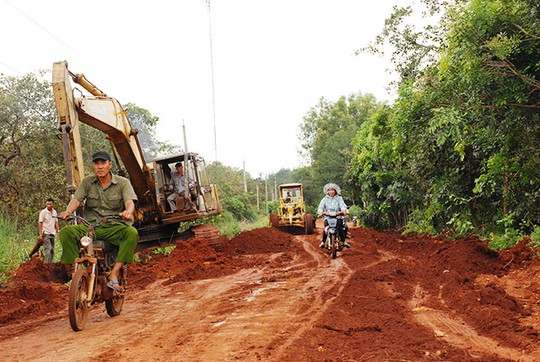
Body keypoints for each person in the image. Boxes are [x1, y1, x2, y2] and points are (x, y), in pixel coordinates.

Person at [59, 151, 139, 291]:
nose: (100, 167)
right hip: (91, 228)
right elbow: (76, 200)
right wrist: (68, 212)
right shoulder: (87, 182)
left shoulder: (122, 183)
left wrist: (128, 212)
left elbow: (129, 202)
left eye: (103, 163)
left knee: (131, 233)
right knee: (67, 232)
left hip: (113, 227)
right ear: (93, 166)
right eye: (97, 164)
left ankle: (114, 273)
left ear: (110, 165)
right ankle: (74, 273)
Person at [317, 183, 350, 249]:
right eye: (330, 190)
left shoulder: (339, 198)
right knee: (326, 228)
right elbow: (321, 206)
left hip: (338, 216)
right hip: (328, 217)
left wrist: (344, 211)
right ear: (327, 191)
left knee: (340, 227)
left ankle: (344, 241)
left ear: (335, 191)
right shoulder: (324, 199)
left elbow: (342, 205)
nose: (331, 191)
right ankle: (323, 242)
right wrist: (320, 212)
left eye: (333, 190)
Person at [29, 198, 60, 263]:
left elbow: (56, 222)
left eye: (50, 204)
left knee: (52, 250)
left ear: (53, 204)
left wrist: (58, 231)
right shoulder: (43, 212)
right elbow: (40, 223)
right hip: (45, 233)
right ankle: (46, 265)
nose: (48, 205)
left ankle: (50, 264)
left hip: (52, 233)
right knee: (48, 249)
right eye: (47, 204)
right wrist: (40, 234)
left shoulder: (54, 212)